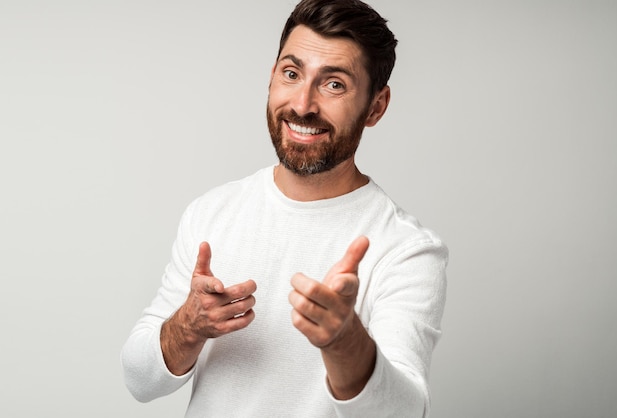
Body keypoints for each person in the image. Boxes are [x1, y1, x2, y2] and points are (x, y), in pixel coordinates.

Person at [121, 0, 448, 416]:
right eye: (291, 74)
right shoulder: (211, 212)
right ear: (272, 77)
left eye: (334, 84)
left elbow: (404, 411)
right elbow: (138, 379)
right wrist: (187, 326)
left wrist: (345, 342)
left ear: (376, 107)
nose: (302, 104)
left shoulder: (406, 249)